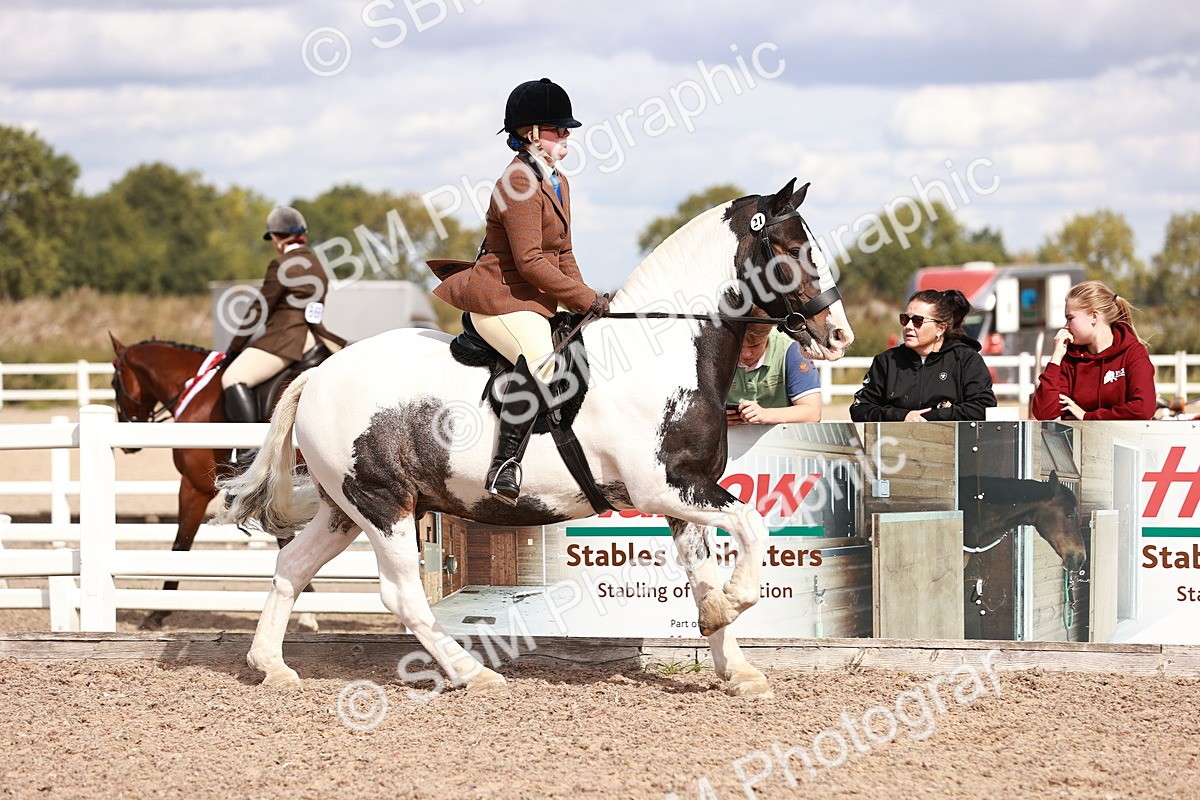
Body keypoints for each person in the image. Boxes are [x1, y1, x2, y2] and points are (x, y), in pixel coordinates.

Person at [432, 78, 609, 506]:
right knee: (544, 361)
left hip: (531, 300)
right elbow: (530, 261)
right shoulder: (517, 182)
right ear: (531, 133)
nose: (566, 135)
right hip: (499, 300)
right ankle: (504, 466)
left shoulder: (558, 180)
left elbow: (563, 252)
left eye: (567, 129)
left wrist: (585, 299)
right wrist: (584, 299)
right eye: (557, 129)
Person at [221, 205, 346, 423]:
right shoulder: (318, 264)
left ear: (278, 238)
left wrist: (234, 348)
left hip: (286, 338)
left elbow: (260, 309)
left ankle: (250, 441)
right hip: (316, 336)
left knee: (232, 378)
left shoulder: (280, 264)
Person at [850, 288, 996, 421]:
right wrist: (903, 416)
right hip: (896, 441)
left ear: (940, 328)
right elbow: (860, 408)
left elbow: (983, 407)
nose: (908, 326)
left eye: (917, 321)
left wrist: (933, 416)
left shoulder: (966, 360)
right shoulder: (886, 362)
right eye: (905, 319)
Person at [1030, 280, 1155, 420]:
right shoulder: (1070, 358)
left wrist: (1087, 417)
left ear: (1094, 316)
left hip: (1122, 435)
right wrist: (1056, 357)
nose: (1066, 326)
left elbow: (1142, 409)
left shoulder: (1133, 352)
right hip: (1079, 436)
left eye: (1070, 318)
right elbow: (1044, 412)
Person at [727, 308, 822, 424]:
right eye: (740, 346)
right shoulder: (717, 350)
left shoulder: (791, 350)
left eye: (755, 346)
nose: (746, 354)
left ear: (767, 335)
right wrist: (717, 418)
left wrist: (766, 415)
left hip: (783, 435)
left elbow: (813, 413)